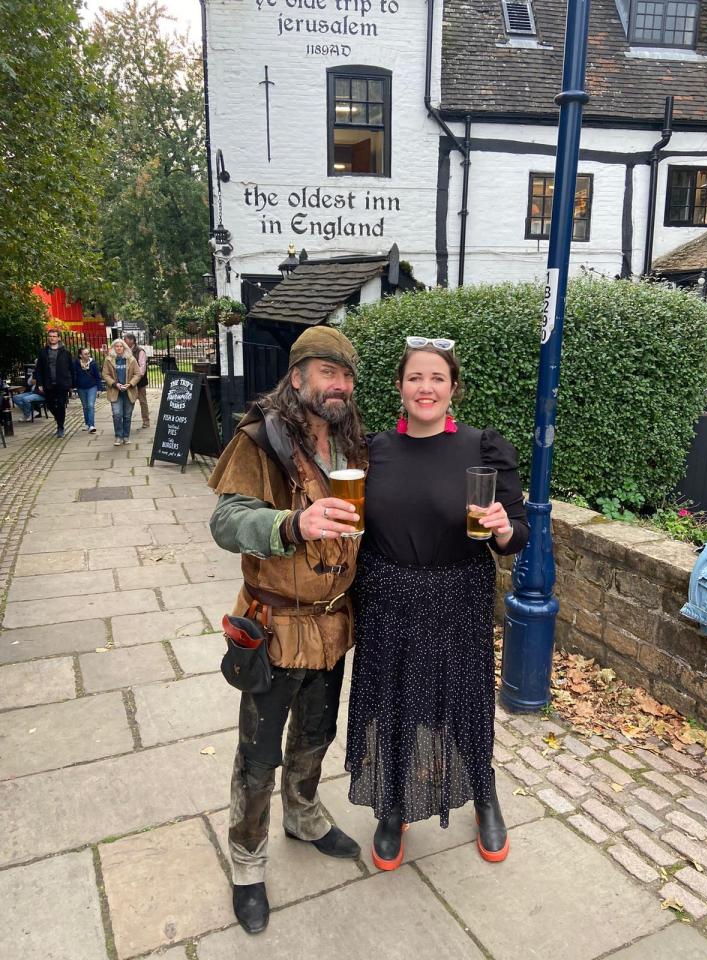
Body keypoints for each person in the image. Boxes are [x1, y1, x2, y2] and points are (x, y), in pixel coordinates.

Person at [345, 336, 529, 871]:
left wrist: (500, 530)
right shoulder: (372, 451)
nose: (425, 388)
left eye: (437, 379)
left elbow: (517, 534)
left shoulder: (482, 449)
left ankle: (484, 794)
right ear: (400, 387)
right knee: (390, 698)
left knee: (465, 696)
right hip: (387, 594)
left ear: (453, 389)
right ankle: (391, 801)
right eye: (414, 378)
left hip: (458, 593)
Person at [208, 326, 366, 936]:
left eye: (347, 376)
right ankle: (247, 865)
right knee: (258, 754)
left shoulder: (351, 440)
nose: (340, 386)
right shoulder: (261, 438)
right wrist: (292, 524)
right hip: (274, 625)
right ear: (297, 376)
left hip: (331, 626)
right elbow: (226, 521)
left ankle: (303, 815)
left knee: (317, 735)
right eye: (328, 373)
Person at [34, 329, 74, 438]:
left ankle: (60, 427)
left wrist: (71, 384)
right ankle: (59, 418)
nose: (52, 338)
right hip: (48, 383)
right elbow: (39, 370)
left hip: (62, 383)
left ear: (59, 338)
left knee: (61, 405)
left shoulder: (66, 352)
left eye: (54, 336)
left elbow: (71, 369)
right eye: (50, 336)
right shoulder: (43, 352)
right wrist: (40, 384)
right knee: (49, 404)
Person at [102, 339, 141, 445]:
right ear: (114, 348)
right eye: (116, 346)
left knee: (127, 415)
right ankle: (118, 436)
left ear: (124, 347)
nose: (119, 348)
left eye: (121, 346)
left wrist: (130, 384)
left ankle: (126, 436)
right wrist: (115, 384)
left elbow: (137, 374)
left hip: (129, 391)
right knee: (117, 414)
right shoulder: (109, 359)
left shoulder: (131, 359)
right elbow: (105, 374)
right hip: (115, 391)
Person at [73, 347, 102, 433]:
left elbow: (97, 376)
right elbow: (74, 374)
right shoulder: (76, 363)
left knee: (90, 405)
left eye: (88, 353)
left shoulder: (93, 363)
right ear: (80, 355)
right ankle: (87, 424)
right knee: (85, 406)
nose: (88, 355)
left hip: (92, 387)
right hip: (81, 387)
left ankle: (92, 425)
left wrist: (99, 388)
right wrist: (73, 385)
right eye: (85, 354)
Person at [123, 333, 150, 427]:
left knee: (142, 401)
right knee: (129, 401)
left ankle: (146, 421)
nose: (124, 341)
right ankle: (127, 421)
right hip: (128, 381)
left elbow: (142, 367)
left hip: (140, 381)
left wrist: (137, 378)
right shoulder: (124, 351)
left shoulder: (140, 351)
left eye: (125, 340)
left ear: (131, 340)